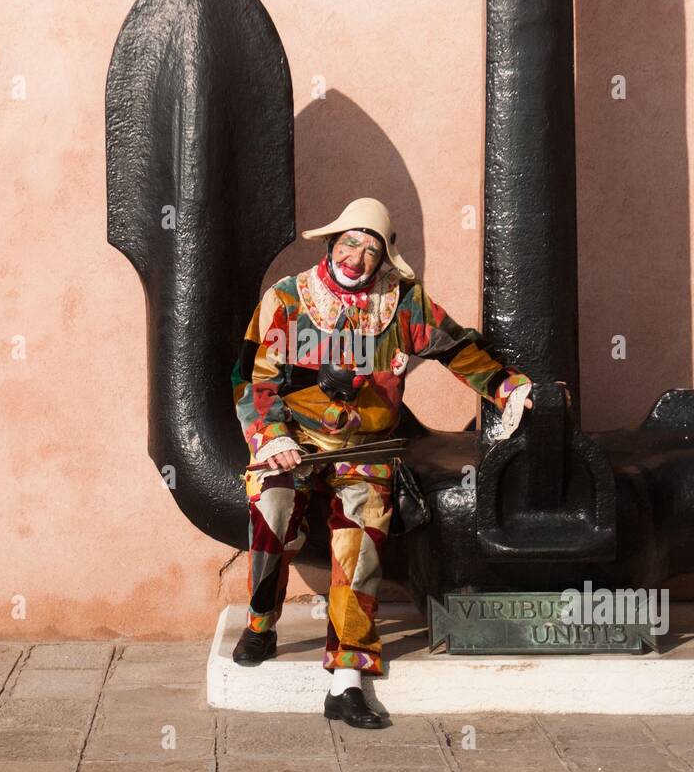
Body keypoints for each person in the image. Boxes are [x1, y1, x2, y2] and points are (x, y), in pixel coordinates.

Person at [229, 196, 548, 728]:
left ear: (383, 259)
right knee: (271, 511)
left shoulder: (403, 302)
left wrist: (505, 385)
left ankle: (347, 678)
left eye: (370, 249)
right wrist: (269, 436)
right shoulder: (285, 299)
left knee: (361, 540)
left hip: (368, 448)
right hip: (294, 442)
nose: (356, 256)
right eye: (350, 241)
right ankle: (261, 623)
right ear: (332, 243)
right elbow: (252, 378)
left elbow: (456, 348)